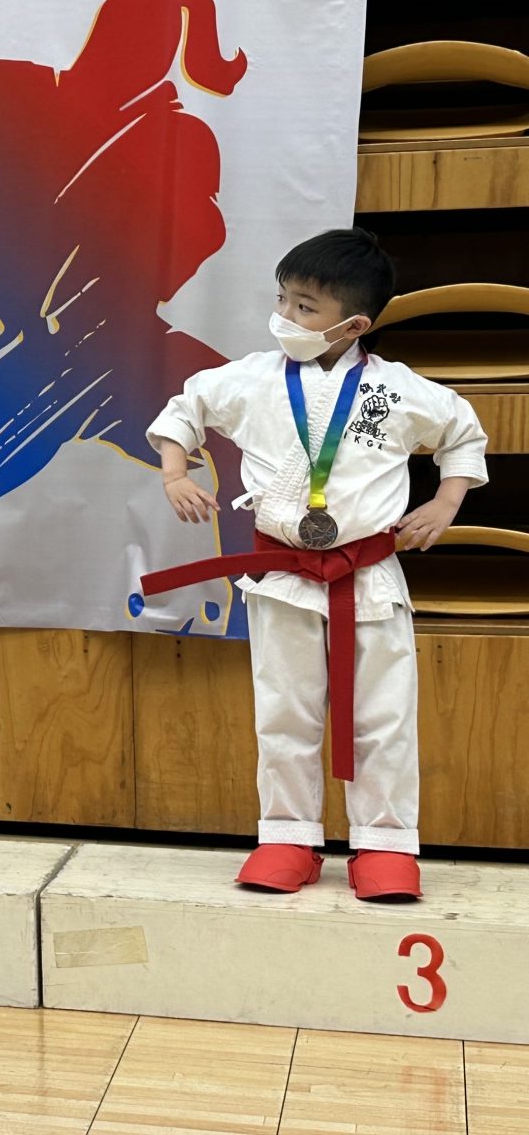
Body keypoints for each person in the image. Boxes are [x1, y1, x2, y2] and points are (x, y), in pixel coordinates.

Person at [143, 229, 487, 900]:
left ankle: (385, 846)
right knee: (284, 710)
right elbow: (187, 407)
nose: (285, 316)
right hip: (283, 577)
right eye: (283, 299)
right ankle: (287, 837)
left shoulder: (395, 390)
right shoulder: (252, 378)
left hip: (368, 577)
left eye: (305, 307)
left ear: (353, 325)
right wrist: (175, 472)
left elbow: (461, 431)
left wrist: (446, 501)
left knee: (385, 716)